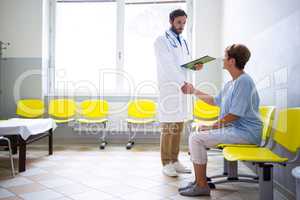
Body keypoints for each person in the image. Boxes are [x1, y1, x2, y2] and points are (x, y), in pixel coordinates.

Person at [179, 44, 263, 196]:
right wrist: (193, 91)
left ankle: (202, 185)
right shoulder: (232, 83)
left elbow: (234, 115)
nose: (223, 60)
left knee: (196, 138)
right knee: (196, 133)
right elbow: (214, 100)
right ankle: (200, 180)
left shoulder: (244, 81)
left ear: (231, 61)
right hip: (236, 130)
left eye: (225, 57)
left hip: (246, 133)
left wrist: (212, 127)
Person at [154, 9, 202, 177]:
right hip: (169, 88)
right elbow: (168, 65)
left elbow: (183, 64)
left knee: (178, 125)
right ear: (171, 21)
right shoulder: (161, 40)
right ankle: (166, 162)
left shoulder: (183, 41)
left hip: (182, 88)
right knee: (168, 126)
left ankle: (175, 160)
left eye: (184, 23)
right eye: (178, 22)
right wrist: (181, 83)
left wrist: (194, 66)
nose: (181, 26)